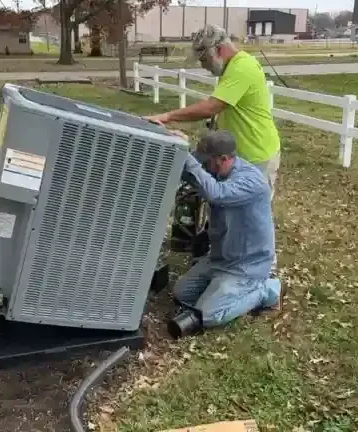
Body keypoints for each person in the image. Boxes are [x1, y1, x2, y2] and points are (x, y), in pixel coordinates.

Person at [145, 24, 281, 199]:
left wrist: (167, 117)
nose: (204, 66)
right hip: (235, 154)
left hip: (256, 154)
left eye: (204, 59)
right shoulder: (232, 67)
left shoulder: (242, 68)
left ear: (219, 49)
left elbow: (212, 107)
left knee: (249, 213)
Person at [170, 130, 281, 334]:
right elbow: (189, 173)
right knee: (182, 294)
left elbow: (217, 194)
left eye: (206, 162)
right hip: (220, 258)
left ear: (222, 159)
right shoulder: (217, 172)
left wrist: (189, 159)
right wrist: (176, 145)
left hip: (246, 265)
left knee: (208, 315)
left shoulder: (251, 182)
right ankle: (222, 289)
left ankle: (266, 290)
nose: (202, 166)